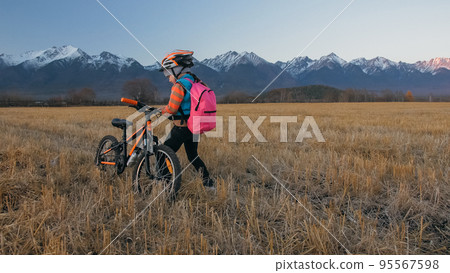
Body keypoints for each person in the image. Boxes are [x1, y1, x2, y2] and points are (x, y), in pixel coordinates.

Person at [158, 50, 215, 188]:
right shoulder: (197, 81)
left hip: (182, 128)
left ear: (176, 69)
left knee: (162, 153)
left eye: (167, 73)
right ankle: (209, 184)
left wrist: (160, 111)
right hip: (194, 127)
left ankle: (166, 184)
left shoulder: (179, 86)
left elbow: (171, 108)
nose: (168, 78)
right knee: (193, 156)